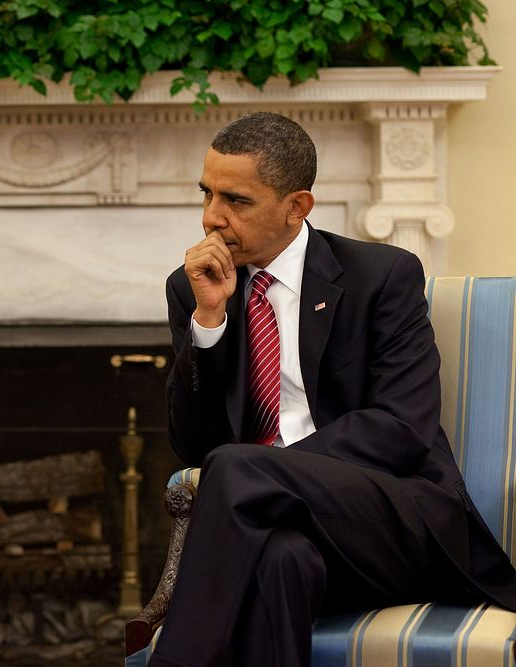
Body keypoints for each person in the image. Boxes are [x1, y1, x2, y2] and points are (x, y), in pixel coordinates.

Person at [150, 111, 516, 667]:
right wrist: (209, 322)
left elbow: (402, 430)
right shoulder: (194, 287)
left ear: (298, 206)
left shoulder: (381, 275)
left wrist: (272, 472)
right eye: (207, 194)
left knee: (237, 467)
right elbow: (190, 443)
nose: (211, 220)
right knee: (281, 561)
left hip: (391, 520)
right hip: (273, 525)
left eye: (236, 201)